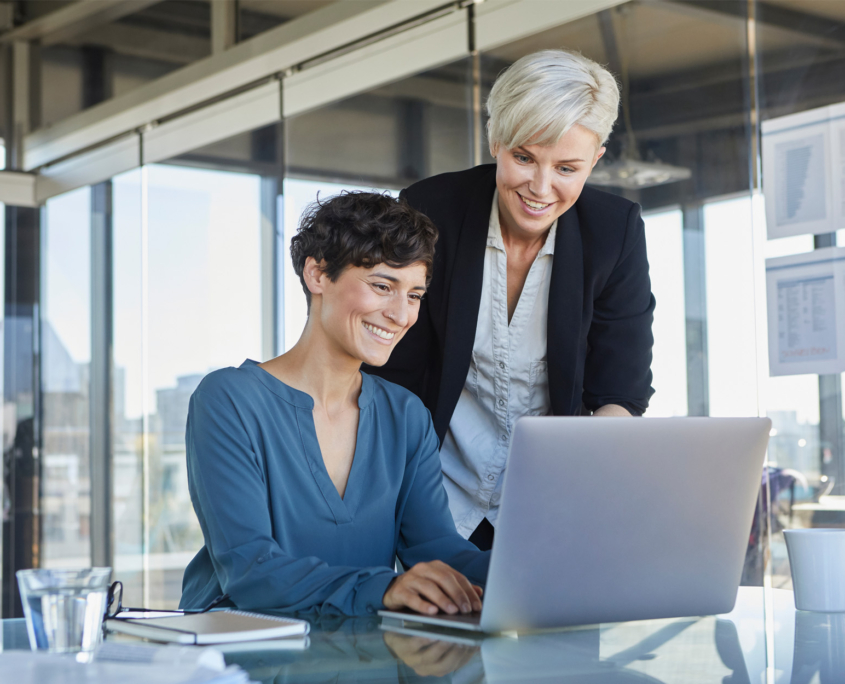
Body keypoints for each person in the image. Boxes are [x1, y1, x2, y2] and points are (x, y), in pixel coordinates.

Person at [366, 50, 655, 551]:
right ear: (495, 139)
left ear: (596, 160)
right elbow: (393, 376)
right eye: (524, 158)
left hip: (552, 505)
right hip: (434, 497)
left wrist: (580, 483)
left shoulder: (615, 232)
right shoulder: (428, 211)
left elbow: (622, 393)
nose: (541, 189)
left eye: (567, 167)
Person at [179, 192, 489, 616]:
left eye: (414, 295)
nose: (402, 315)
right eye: (383, 286)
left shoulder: (405, 415)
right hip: (242, 662)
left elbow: (435, 549)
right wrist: (385, 589)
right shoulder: (229, 401)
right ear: (318, 274)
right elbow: (250, 570)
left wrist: (527, 572)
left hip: (361, 661)